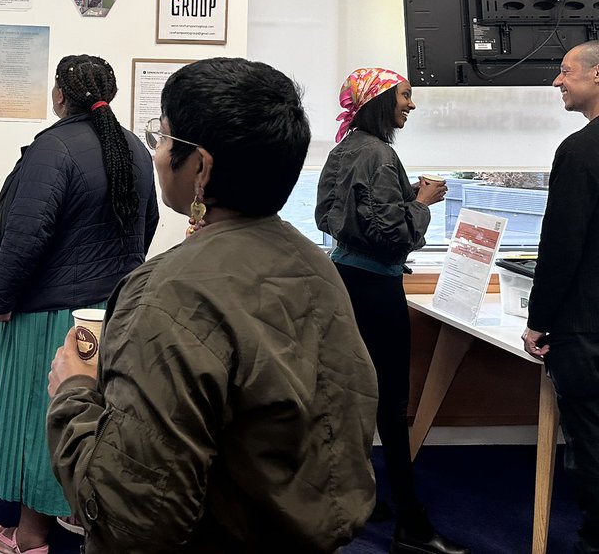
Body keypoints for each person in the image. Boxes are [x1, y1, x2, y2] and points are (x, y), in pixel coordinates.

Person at [47, 57, 377, 553]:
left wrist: (72, 392)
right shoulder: (316, 265)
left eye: (162, 139)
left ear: (200, 166)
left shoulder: (167, 293)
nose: (156, 154)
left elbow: (132, 518)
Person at [0, 54, 159, 554]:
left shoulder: (53, 148)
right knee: (94, 416)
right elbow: (145, 226)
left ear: (60, 94)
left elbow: (24, 236)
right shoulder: (135, 150)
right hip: (113, 312)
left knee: (48, 418)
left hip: (51, 316)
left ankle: (29, 538)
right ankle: (79, 512)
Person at [315, 67, 468, 554]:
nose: (412, 105)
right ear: (380, 101)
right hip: (376, 287)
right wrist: (420, 202)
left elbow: (330, 216)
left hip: (344, 280)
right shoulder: (380, 155)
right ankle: (412, 526)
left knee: (351, 396)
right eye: (405, 95)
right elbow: (392, 235)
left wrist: (404, 201)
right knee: (391, 404)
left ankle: (359, 499)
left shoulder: (343, 149)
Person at [523, 41, 599, 554]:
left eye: (567, 71)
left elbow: (561, 245)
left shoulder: (578, 152)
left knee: (592, 438)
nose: (556, 81)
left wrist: (538, 321)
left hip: (586, 327)